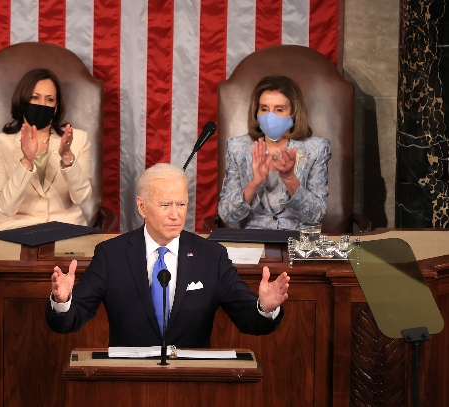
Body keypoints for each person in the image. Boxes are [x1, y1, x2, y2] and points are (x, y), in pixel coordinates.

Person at [46, 163, 290, 348]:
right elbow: (69, 320)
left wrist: (265, 308)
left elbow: (249, 319)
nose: (175, 215)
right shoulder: (112, 255)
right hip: (128, 382)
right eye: (165, 205)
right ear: (142, 207)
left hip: (192, 384)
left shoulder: (211, 256)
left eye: (181, 204)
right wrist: (62, 301)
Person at [0, 68, 92, 231]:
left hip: (65, 229)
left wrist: (67, 158)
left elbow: (82, 197)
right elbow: (6, 207)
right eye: (35, 97)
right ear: (23, 100)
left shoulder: (78, 139)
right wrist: (26, 162)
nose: (42, 105)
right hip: (13, 228)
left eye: (49, 100)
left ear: (56, 107)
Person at [218, 75, 331, 230]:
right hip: (252, 240)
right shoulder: (238, 147)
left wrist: (290, 179)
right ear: (256, 112)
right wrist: (254, 183)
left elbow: (316, 214)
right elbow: (227, 216)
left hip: (296, 241)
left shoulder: (316, 149)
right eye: (264, 109)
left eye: (279, 109)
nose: (270, 116)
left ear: (294, 113)